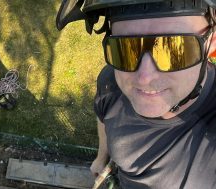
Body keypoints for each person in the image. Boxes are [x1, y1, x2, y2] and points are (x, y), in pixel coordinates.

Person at [56, 0, 216, 188]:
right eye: (125, 49)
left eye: (174, 50)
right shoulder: (110, 83)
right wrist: (102, 158)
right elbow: (103, 117)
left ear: (211, 44)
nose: (144, 78)